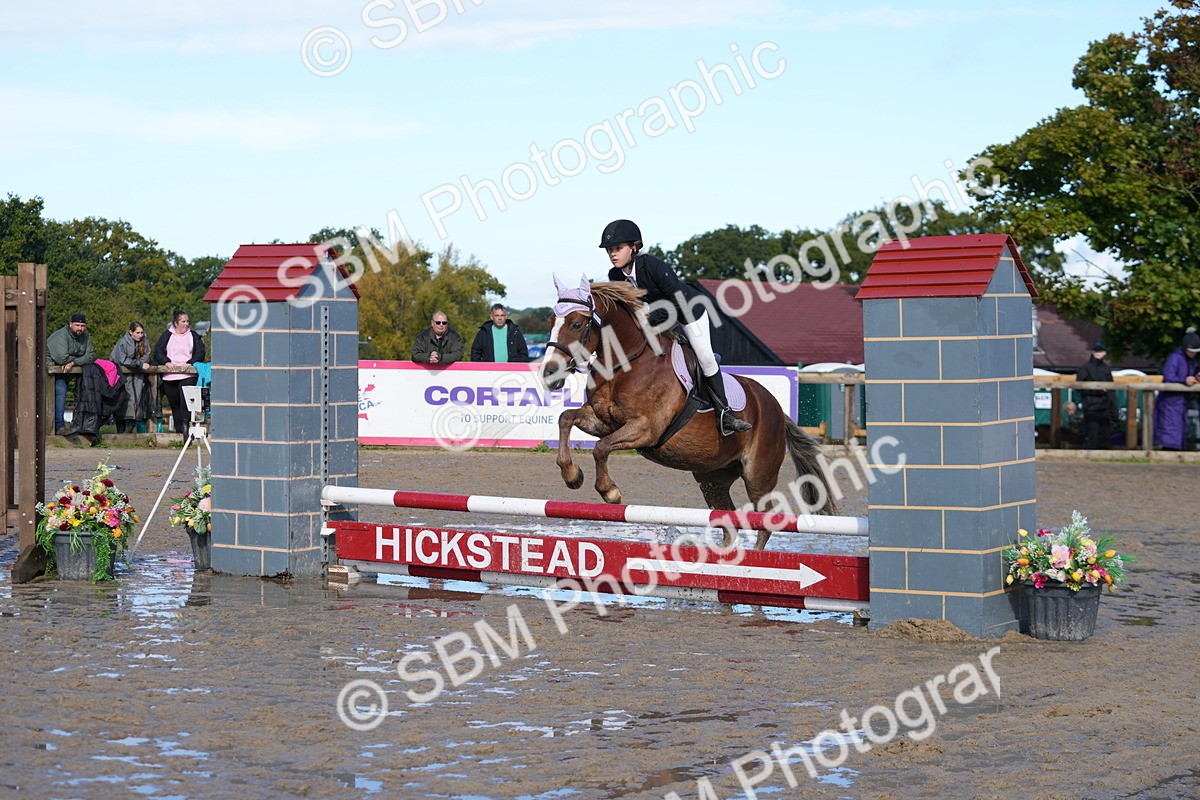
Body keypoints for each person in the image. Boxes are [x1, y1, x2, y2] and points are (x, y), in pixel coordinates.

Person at [599, 218, 752, 435]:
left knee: (705, 357)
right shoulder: (615, 276)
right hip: (661, 315)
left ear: (633, 248)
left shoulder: (653, 266)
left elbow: (677, 300)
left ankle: (725, 414)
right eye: (609, 250)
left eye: (618, 248)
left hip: (689, 311)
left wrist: (647, 318)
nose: (613, 254)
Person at [152, 310, 206, 435]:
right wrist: (166, 361)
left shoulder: (194, 336)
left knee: (185, 402)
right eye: (183, 321)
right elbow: (158, 352)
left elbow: (200, 352)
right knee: (174, 404)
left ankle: (186, 429)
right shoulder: (166, 335)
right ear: (176, 323)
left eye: (187, 321)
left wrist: (191, 362)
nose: (186, 324)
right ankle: (179, 431)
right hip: (169, 375)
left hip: (188, 374)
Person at [46, 312, 95, 435]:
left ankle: (83, 425)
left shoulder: (86, 336)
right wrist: (79, 359)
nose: (80, 328)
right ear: (70, 324)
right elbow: (61, 359)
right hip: (50, 372)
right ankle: (59, 426)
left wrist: (73, 362)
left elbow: (89, 356)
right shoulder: (61, 336)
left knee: (86, 385)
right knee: (60, 389)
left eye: (82, 325)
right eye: (77, 325)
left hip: (69, 369)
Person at [1152, 329, 1200, 451]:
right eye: (1191, 351)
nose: (1193, 354)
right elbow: (1168, 377)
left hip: (1180, 401)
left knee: (1177, 432)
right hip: (1170, 401)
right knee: (1169, 433)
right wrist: (1184, 380)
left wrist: (1195, 377)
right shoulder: (1175, 358)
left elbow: (1188, 375)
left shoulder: (1190, 360)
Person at [110, 321, 157, 433]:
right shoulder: (122, 342)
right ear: (131, 332)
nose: (140, 335)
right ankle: (120, 432)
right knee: (123, 401)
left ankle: (128, 432)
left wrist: (139, 364)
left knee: (136, 401)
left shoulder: (144, 343)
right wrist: (139, 364)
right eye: (137, 332)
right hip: (122, 376)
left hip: (138, 377)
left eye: (141, 332)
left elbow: (146, 356)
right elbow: (121, 359)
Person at [1076, 341, 1117, 450]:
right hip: (1091, 406)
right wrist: (1095, 391)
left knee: (1105, 435)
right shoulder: (1084, 368)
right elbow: (1079, 386)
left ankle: (1103, 456)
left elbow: (1111, 390)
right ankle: (1090, 456)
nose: (1099, 353)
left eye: (1101, 351)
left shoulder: (1106, 369)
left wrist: (1114, 410)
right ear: (1092, 352)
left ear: (1105, 353)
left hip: (1104, 406)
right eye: (1096, 351)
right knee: (1092, 435)